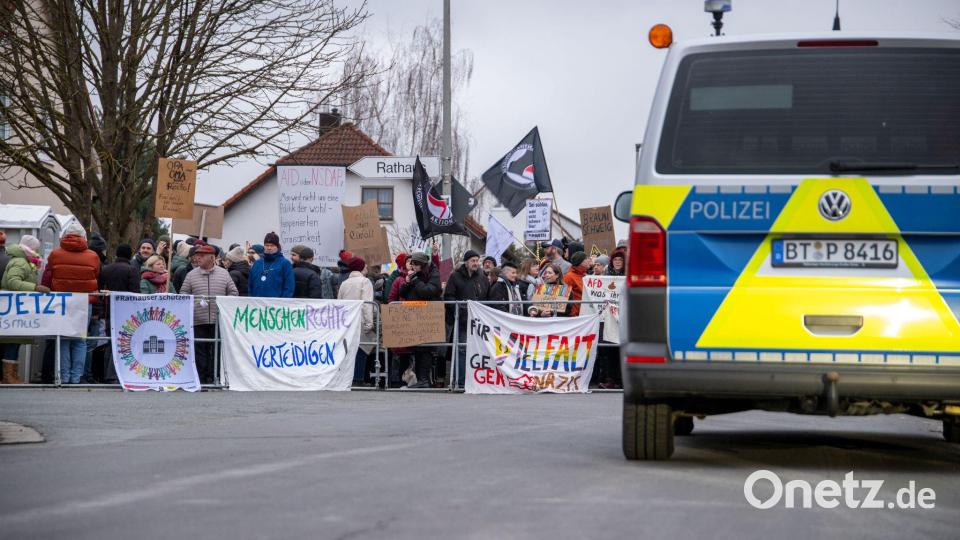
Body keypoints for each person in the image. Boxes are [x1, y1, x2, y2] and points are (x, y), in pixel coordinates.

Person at [44, 223, 100, 384]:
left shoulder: (55, 254)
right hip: (84, 302)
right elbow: (96, 276)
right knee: (80, 340)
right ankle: (76, 378)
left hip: (61, 301)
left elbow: (48, 276)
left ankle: (63, 377)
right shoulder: (93, 256)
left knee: (63, 339)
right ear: (84, 237)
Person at [179, 244, 239, 384]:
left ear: (212, 258)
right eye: (197, 255)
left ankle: (215, 376)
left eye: (202, 256)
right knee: (200, 349)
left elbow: (233, 293)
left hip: (218, 320)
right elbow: (183, 294)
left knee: (217, 349)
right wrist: (196, 302)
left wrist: (222, 304)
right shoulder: (191, 275)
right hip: (198, 319)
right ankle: (201, 378)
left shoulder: (224, 274)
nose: (197, 258)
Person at [1, 235, 47, 384]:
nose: (37, 252)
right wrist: (34, 287)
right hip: (14, 310)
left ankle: (10, 375)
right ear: (30, 248)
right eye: (36, 249)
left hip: (15, 309)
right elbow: (13, 282)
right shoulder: (21, 262)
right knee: (12, 342)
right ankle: (9, 376)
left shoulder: (22, 260)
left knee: (13, 342)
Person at [442, 250, 490, 387]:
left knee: (478, 349)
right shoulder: (455, 277)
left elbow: (486, 296)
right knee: (462, 349)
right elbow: (449, 297)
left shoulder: (482, 277)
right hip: (462, 320)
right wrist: (461, 308)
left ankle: (477, 380)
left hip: (478, 321)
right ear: (466, 262)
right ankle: (461, 381)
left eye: (477, 260)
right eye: (473, 261)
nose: (476, 263)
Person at [399, 251, 442, 389]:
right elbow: (403, 293)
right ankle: (420, 380)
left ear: (421, 265)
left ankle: (424, 380)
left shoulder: (433, 273)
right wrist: (406, 283)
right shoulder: (414, 274)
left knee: (426, 348)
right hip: (415, 315)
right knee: (417, 347)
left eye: (415, 264)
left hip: (428, 316)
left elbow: (429, 291)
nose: (412, 267)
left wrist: (416, 281)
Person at [337, 256, 377, 386]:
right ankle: (358, 378)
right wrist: (369, 323)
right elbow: (367, 304)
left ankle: (349, 377)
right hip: (360, 320)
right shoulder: (365, 282)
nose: (366, 267)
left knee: (349, 349)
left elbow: (339, 303)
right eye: (364, 265)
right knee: (363, 348)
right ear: (360, 267)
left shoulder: (344, 283)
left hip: (347, 321)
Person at [249, 232, 294, 297]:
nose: (269, 248)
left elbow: (289, 287)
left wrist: (282, 304)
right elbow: (250, 285)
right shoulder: (257, 263)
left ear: (277, 247)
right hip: (257, 305)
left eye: (272, 245)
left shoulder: (285, 263)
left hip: (276, 305)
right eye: (267, 245)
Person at [563, 251, 589, 317]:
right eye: (586, 258)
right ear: (580, 262)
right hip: (575, 315)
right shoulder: (569, 277)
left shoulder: (585, 275)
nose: (589, 260)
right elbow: (563, 297)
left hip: (585, 313)